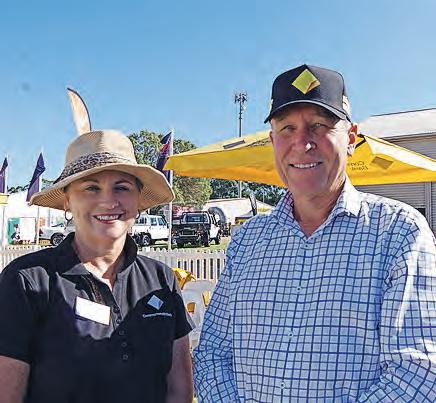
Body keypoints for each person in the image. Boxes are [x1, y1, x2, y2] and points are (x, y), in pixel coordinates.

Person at [194, 64, 436, 401]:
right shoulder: (247, 241)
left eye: (319, 125)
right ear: (272, 141)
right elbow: (212, 355)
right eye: (287, 128)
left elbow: (418, 373)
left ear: (350, 138)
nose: (301, 143)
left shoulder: (399, 232)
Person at [0, 129, 194, 403]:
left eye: (122, 187)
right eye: (91, 188)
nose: (109, 200)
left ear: (139, 200)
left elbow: (179, 391)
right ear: (67, 201)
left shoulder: (161, 279)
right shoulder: (27, 280)